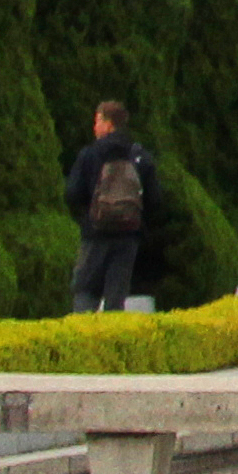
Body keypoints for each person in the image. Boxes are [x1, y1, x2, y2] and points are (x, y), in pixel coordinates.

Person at [63, 100, 155, 314]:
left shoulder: (90, 154)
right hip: (128, 236)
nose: (94, 127)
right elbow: (154, 199)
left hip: (95, 233)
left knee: (85, 290)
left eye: (97, 121)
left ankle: (84, 339)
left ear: (108, 124)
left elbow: (73, 193)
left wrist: (88, 215)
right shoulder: (139, 156)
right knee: (116, 297)